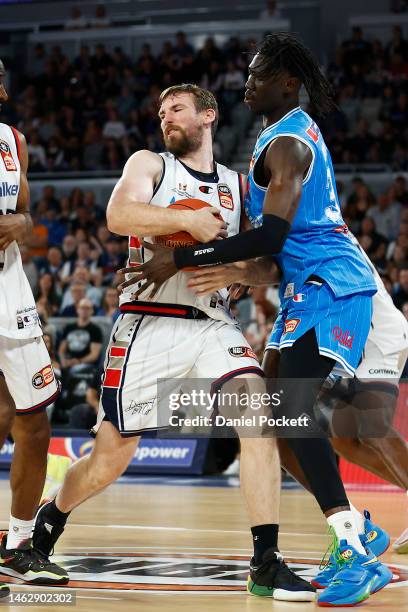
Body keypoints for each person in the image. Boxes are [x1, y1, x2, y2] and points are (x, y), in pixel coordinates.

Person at [127, 35, 392, 606]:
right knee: (273, 420)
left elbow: (273, 236)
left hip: (331, 284)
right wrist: (243, 272)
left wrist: (183, 255)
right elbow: (273, 254)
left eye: (259, 72)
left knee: (295, 411)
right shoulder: (273, 139)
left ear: (288, 82)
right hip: (302, 286)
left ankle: (355, 548)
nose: (248, 79)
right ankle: (355, 527)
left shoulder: (291, 143)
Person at [33, 83, 315, 601]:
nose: (168, 118)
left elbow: (268, 265)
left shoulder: (237, 183)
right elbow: (119, 216)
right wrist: (187, 221)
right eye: (162, 112)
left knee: (257, 414)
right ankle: (45, 527)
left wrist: (230, 266)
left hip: (212, 321)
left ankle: (266, 561)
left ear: (207, 115)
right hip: (148, 323)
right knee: (109, 461)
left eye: (178, 110)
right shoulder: (151, 165)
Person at [186, 229, 408, 561]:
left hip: (362, 312)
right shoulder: (263, 210)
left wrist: (232, 265)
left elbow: (270, 251)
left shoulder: (300, 200)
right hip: (309, 313)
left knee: (368, 424)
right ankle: (355, 525)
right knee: (287, 427)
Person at [0, 59, 68, 588]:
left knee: (34, 419)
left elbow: (26, 215)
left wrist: (21, 222)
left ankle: (19, 543)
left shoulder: (13, 141)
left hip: (10, 290)